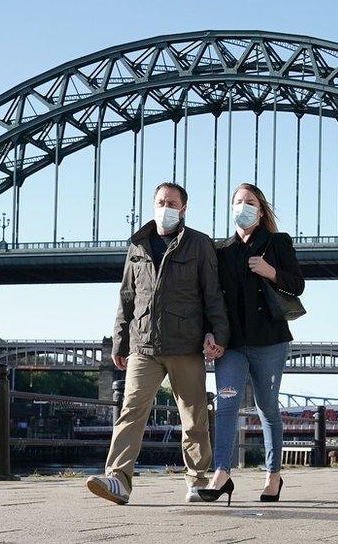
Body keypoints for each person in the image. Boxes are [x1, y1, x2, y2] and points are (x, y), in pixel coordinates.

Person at [86, 182, 229, 505]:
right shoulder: (137, 245)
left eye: (172, 202)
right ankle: (118, 480)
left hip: (186, 344)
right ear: (153, 205)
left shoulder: (199, 244)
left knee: (193, 417)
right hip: (144, 345)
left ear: (183, 209)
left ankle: (196, 480)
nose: (166, 207)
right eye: (161, 201)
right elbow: (126, 297)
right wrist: (120, 341)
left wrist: (218, 334)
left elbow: (213, 294)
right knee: (131, 411)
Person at [199, 182, 305, 505]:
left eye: (250, 202)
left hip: (268, 342)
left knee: (266, 407)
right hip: (231, 344)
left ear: (260, 211)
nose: (243, 206)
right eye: (238, 201)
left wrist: (271, 272)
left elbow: (297, 284)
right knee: (227, 403)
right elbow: (210, 298)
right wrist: (208, 332)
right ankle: (221, 473)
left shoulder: (277, 243)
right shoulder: (221, 251)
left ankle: (273, 474)